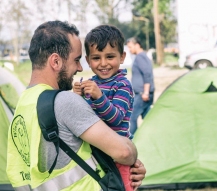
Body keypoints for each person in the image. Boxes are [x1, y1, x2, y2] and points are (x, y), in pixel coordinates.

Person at [6, 20, 146, 191]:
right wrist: (132, 156)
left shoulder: (24, 103)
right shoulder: (65, 102)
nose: (80, 68)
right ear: (55, 62)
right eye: (77, 60)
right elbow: (124, 152)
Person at [73, 24, 134, 191]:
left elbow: (116, 117)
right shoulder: (90, 84)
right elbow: (83, 116)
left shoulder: (122, 85)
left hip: (116, 156)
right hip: (94, 156)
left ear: (122, 57)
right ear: (87, 60)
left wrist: (99, 96)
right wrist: (76, 97)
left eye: (110, 56)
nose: (103, 63)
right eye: (96, 58)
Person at [126, 37, 155, 135]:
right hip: (144, 94)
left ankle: (131, 141)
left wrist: (146, 92)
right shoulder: (142, 56)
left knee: (131, 117)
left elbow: (147, 74)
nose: (129, 50)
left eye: (130, 47)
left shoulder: (140, 57)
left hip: (143, 94)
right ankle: (151, 137)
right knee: (148, 119)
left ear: (137, 45)